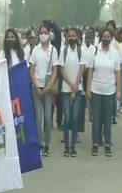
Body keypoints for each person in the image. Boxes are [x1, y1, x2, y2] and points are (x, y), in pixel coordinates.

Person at [87, 28, 121, 157]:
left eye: (108, 36)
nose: (106, 38)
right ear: (101, 37)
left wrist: (118, 90)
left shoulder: (115, 53)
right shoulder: (95, 52)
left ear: (111, 38)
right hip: (96, 89)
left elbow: (118, 72)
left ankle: (107, 144)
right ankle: (95, 144)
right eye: (104, 36)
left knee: (107, 119)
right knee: (96, 119)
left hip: (109, 91)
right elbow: (90, 71)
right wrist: (88, 88)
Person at [29, 25, 58, 157]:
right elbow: (31, 69)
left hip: (48, 88)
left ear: (49, 34)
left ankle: (48, 144)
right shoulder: (35, 50)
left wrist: (48, 87)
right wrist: (36, 85)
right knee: (38, 118)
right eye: (41, 32)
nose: (43, 35)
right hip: (37, 87)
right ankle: (40, 143)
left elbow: (55, 71)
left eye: (45, 33)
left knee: (47, 117)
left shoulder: (53, 50)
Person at [59, 27, 86, 156]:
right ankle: (66, 147)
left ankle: (73, 147)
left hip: (78, 90)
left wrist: (75, 86)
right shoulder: (63, 51)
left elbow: (82, 69)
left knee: (75, 118)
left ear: (77, 37)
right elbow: (62, 70)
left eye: (73, 36)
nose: (71, 38)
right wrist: (70, 85)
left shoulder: (81, 51)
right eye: (69, 36)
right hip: (65, 89)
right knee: (67, 117)